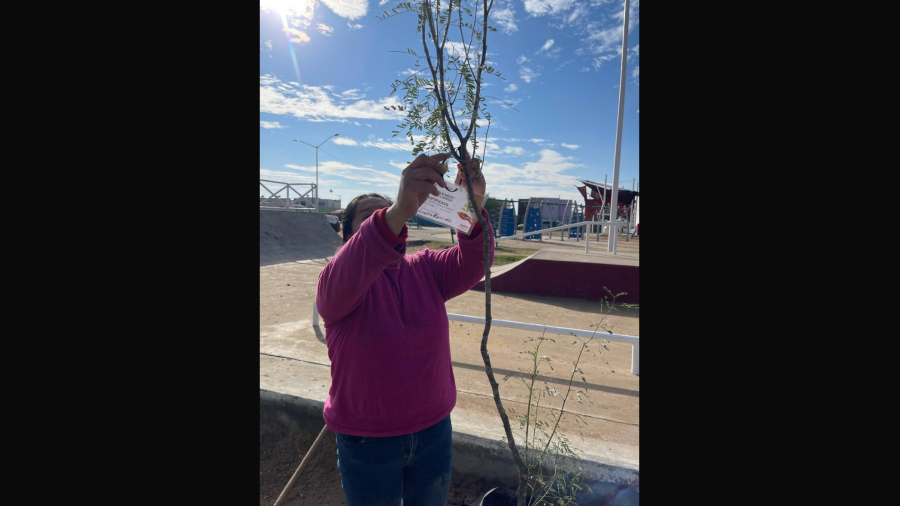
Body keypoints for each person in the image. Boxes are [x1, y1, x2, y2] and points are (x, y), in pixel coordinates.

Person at [317, 153, 491, 506]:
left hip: (434, 431)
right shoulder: (336, 281)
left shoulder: (424, 267)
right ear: (348, 234)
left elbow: (474, 261)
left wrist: (470, 205)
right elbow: (353, 266)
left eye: (392, 210)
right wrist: (395, 209)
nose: (389, 217)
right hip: (367, 441)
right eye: (372, 216)